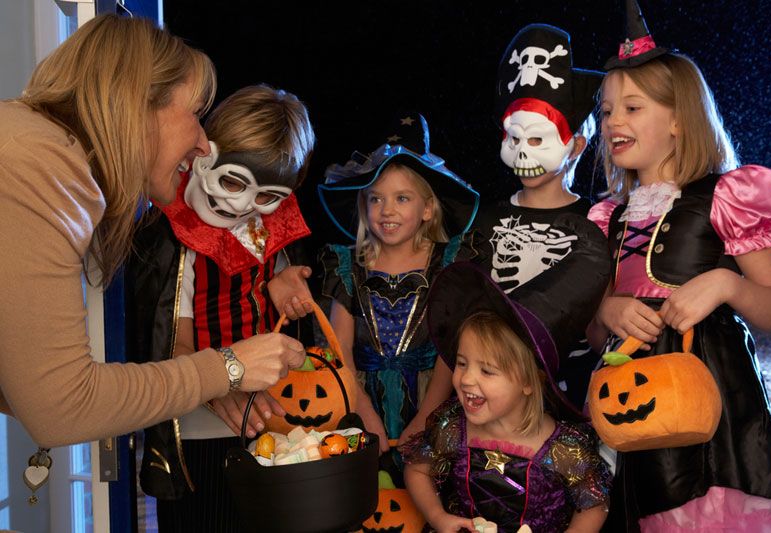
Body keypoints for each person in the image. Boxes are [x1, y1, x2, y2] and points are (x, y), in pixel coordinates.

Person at [0, 15, 305, 453]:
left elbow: (34, 390)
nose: (203, 144)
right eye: (196, 114)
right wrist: (228, 367)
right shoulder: (44, 168)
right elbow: (64, 408)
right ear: (136, 102)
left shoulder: (32, 148)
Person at [587, 2, 771, 530]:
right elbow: (595, 337)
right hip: (636, 411)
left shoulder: (728, 196)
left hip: (719, 413)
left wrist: (727, 284)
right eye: (607, 109)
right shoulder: (608, 219)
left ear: (679, 118)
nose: (614, 121)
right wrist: (607, 312)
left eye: (633, 108)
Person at [127, 84, 315, 530]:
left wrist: (280, 286)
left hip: (272, 416)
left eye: (265, 196)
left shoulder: (271, 222)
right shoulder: (175, 234)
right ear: (205, 154)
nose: (242, 204)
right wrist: (221, 383)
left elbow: (277, 301)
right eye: (232, 181)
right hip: (202, 432)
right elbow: (173, 340)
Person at [406, 24, 612, 430]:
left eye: (537, 141)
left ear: (575, 146)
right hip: (488, 397)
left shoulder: (598, 222)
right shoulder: (485, 220)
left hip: (567, 394)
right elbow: (460, 323)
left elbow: (599, 323)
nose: (522, 152)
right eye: (512, 138)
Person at [317, 113, 481, 462]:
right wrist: (363, 411)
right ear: (363, 205)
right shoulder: (347, 266)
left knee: (425, 498)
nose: (386, 210)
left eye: (402, 198)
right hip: (358, 401)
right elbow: (339, 350)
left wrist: (426, 417)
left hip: (433, 402)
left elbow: (451, 351)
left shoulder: (448, 264)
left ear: (427, 209)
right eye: (376, 199)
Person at [402, 262, 611, 533]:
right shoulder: (452, 428)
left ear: (528, 382)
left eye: (487, 371)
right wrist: (437, 516)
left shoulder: (565, 449)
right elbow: (417, 470)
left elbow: (594, 506)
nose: (466, 379)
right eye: (462, 363)